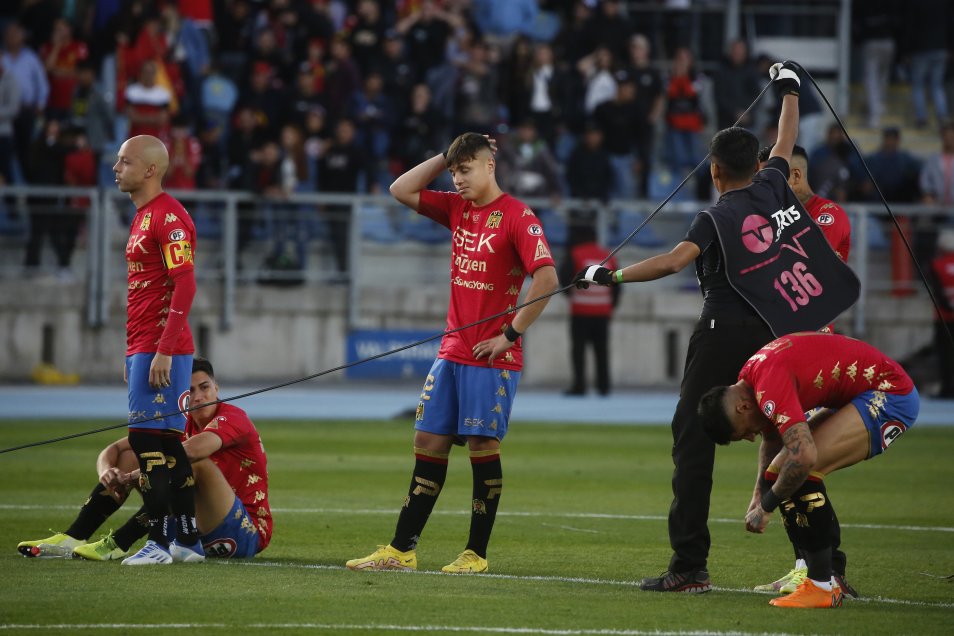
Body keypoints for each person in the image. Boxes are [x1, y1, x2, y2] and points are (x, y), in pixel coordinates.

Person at [575, 62, 859, 592]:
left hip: (720, 331)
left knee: (693, 440)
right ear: (758, 164)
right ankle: (824, 565)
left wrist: (607, 275)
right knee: (788, 442)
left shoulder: (713, 217)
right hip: (776, 334)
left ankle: (689, 566)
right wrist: (789, 87)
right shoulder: (774, 185)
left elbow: (672, 262)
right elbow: (787, 135)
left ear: (713, 171)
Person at [347, 132, 558, 574]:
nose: (458, 179)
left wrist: (510, 335)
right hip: (452, 350)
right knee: (427, 441)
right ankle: (401, 550)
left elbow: (547, 279)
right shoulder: (457, 208)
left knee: (481, 445)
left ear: (490, 166)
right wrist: (445, 155)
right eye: (454, 171)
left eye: (466, 169)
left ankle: (475, 554)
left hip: (490, 356)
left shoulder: (518, 216)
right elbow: (400, 189)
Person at [698, 332, 919, 608]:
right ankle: (824, 577)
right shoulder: (752, 378)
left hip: (890, 394)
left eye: (743, 433)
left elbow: (804, 456)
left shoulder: (768, 385)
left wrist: (766, 507)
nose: (751, 437)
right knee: (780, 474)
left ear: (742, 407)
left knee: (801, 471)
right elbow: (772, 438)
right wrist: (760, 493)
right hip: (859, 396)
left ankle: (821, 585)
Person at [17, 358, 272, 561]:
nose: (198, 397)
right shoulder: (179, 422)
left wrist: (139, 475)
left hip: (243, 531)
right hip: (191, 525)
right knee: (132, 454)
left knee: (188, 464)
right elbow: (114, 450)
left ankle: (119, 543)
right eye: (190, 391)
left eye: (204, 388)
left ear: (217, 388)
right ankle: (75, 536)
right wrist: (107, 471)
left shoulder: (234, 417)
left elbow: (192, 452)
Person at [112, 134, 202, 565]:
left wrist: (162, 351)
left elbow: (185, 284)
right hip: (146, 344)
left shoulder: (168, 216)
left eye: (125, 161)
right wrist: (130, 351)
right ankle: (188, 542)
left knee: (145, 437)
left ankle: (160, 544)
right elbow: (144, 290)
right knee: (168, 443)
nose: (116, 168)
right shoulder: (144, 215)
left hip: (161, 346)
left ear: (150, 170)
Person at [759, 144, 851, 263]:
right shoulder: (770, 215)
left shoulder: (829, 213)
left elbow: (811, 263)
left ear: (796, 176)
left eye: (768, 179)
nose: (760, 186)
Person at [561, 224, 619, 396]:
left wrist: (571, 296)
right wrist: (611, 305)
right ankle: (604, 386)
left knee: (578, 351)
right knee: (602, 350)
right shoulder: (608, 255)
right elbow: (617, 284)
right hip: (602, 311)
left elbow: (564, 279)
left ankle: (579, 386)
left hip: (580, 311)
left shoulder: (575, 253)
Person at [929, 229, 954, 398]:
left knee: (945, 355)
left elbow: (937, 292)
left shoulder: (936, 265)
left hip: (944, 317)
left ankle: (947, 388)